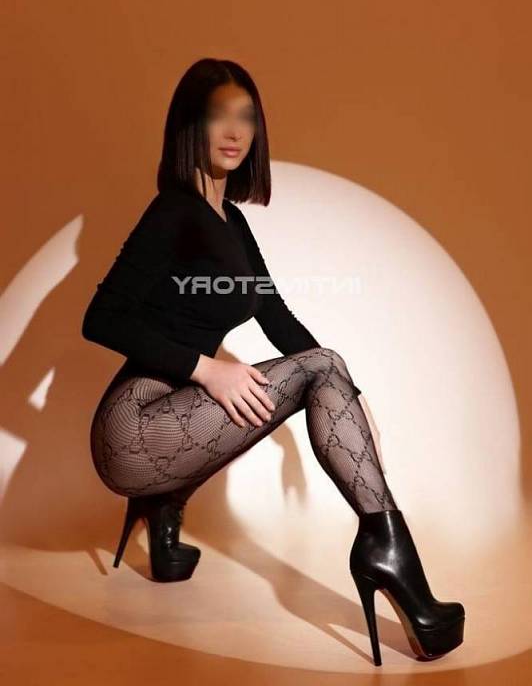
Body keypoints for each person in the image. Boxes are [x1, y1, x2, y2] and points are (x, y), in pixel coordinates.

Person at [81, 58, 465, 665]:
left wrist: (351, 395)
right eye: (219, 116)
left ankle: (163, 507)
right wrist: (207, 368)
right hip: (131, 426)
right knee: (320, 365)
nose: (235, 131)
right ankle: (389, 553)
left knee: (323, 365)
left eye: (247, 117)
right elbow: (101, 318)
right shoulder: (172, 211)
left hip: (171, 419)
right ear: (190, 125)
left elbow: (277, 317)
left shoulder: (230, 221)